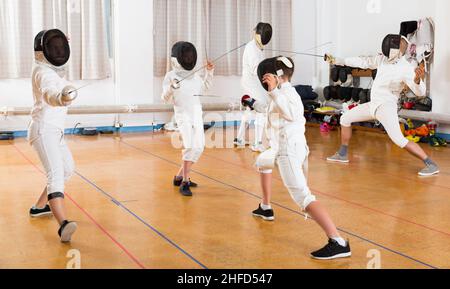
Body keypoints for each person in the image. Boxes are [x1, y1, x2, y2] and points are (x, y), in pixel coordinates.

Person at [242, 56, 351, 260]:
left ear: (275, 77)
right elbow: (272, 110)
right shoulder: (282, 93)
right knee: (262, 161)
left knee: (303, 196)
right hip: (283, 147)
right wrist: (252, 103)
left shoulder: (287, 94)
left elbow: (291, 112)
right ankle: (266, 208)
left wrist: (273, 91)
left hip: (288, 151)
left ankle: (338, 241)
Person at [325, 34, 439, 176]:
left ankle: (430, 164)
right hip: (373, 105)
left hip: (386, 107)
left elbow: (420, 92)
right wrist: (337, 60)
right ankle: (342, 154)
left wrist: (416, 80)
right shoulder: (382, 59)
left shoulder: (406, 68)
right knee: (345, 118)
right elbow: (363, 62)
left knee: (399, 140)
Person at [28, 29, 78, 242]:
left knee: (68, 169)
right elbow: (50, 93)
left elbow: (56, 83)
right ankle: (63, 224)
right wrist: (60, 98)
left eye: (61, 47)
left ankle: (39, 207)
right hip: (43, 130)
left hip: (55, 131)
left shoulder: (53, 71)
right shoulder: (43, 72)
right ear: (43, 51)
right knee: (56, 175)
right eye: (54, 47)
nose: (58, 51)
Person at [162, 41, 214, 196]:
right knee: (190, 146)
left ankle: (179, 177)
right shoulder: (171, 76)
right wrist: (171, 88)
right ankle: (185, 181)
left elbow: (205, 88)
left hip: (196, 113)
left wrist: (209, 72)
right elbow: (164, 98)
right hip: (183, 115)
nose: (188, 57)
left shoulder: (195, 76)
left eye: (189, 55)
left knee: (199, 147)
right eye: (186, 56)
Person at [234, 22, 272, 152]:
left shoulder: (257, 47)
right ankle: (257, 143)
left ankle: (239, 138)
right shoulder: (251, 48)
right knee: (262, 107)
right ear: (258, 34)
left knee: (251, 109)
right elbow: (257, 69)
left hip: (253, 82)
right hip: (251, 82)